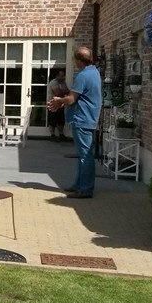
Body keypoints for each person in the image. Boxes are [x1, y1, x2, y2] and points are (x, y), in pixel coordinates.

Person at [47, 47, 102, 199]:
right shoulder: (94, 72)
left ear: (78, 60)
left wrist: (59, 100)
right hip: (89, 118)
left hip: (83, 119)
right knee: (83, 155)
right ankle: (79, 185)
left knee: (85, 156)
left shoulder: (83, 75)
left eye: (75, 60)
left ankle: (85, 189)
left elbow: (71, 99)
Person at [46, 70, 69, 141]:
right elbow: (58, 92)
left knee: (61, 121)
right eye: (61, 76)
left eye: (63, 75)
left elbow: (67, 91)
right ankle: (52, 135)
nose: (63, 77)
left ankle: (61, 134)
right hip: (52, 104)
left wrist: (66, 94)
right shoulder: (53, 82)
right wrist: (66, 95)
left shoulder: (63, 82)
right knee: (52, 120)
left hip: (60, 104)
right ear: (57, 76)